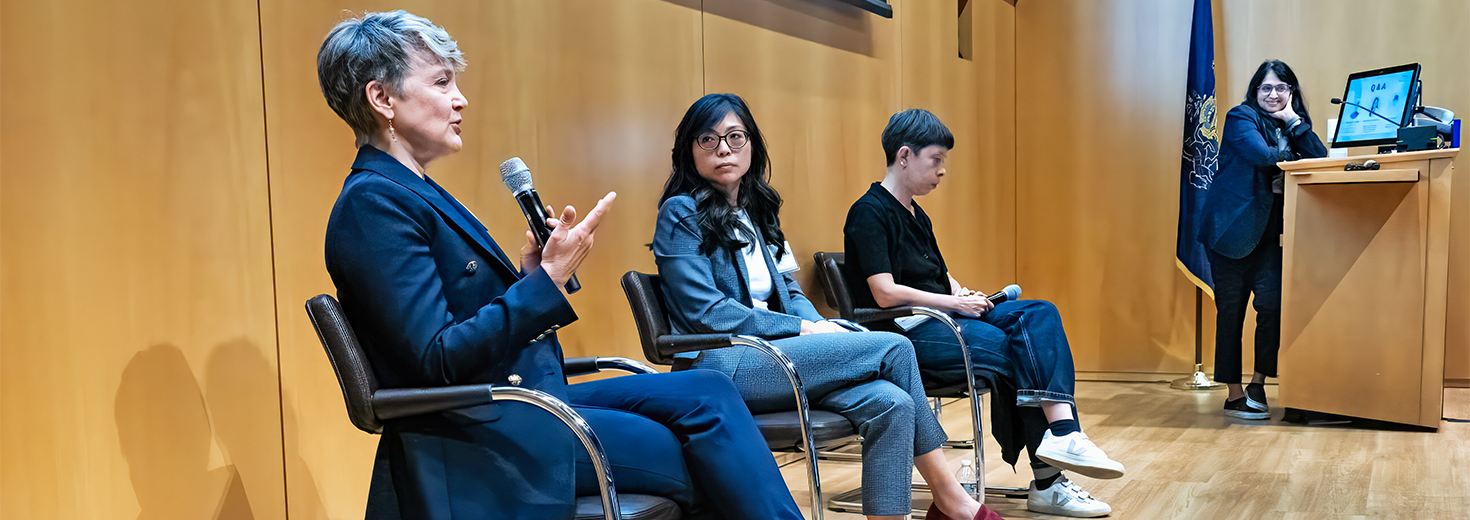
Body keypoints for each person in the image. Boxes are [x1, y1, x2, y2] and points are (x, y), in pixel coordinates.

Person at [317, 12, 802, 519]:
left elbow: (466, 319)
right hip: (488, 425)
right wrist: (546, 282)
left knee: (709, 388)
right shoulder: (372, 205)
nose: (461, 99)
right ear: (383, 100)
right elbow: (436, 360)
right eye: (442, 82)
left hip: (531, 399)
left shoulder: (411, 189)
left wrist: (532, 274)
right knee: (705, 453)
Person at [653, 93, 1001, 520]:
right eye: (708, 139)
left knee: (893, 402)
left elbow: (790, 292)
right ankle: (952, 499)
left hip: (775, 357)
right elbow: (705, 313)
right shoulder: (680, 212)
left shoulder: (757, 211)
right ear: (690, 149)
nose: (723, 149)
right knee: (894, 347)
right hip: (721, 365)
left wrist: (821, 326)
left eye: (734, 137)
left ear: (752, 145)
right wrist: (803, 331)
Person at [842, 109, 1125, 518]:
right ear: (904, 156)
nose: (942, 171)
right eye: (935, 160)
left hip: (943, 319)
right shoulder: (868, 211)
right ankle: (1049, 478)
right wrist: (954, 303)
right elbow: (884, 293)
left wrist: (963, 293)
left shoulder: (916, 213)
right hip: (908, 335)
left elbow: (937, 275)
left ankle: (1065, 435)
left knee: (1037, 315)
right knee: (1020, 353)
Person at [1198, 60, 1326, 419]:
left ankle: (1258, 384)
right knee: (1232, 313)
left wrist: (1295, 125)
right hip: (1230, 234)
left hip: (1270, 236)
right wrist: (1289, 158)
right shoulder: (1241, 118)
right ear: (1255, 92)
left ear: (1291, 93)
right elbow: (1261, 155)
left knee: (1272, 309)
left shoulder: (1295, 124)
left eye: (1281, 88)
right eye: (1266, 88)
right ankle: (1233, 393)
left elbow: (1319, 158)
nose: (1273, 94)